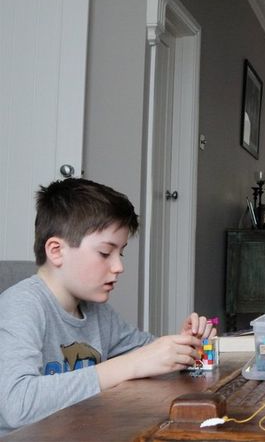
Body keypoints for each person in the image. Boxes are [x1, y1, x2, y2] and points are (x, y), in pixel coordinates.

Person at [0, 178, 217, 435]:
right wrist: (127, 365)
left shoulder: (96, 312)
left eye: (120, 253)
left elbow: (148, 355)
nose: (119, 266)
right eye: (105, 253)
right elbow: (17, 405)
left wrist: (183, 345)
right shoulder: (21, 306)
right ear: (56, 251)